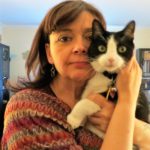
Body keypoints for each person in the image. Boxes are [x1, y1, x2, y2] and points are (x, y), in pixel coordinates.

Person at [1, 0, 150, 149]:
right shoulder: (27, 109)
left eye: (90, 38)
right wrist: (126, 103)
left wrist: (131, 124)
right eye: (64, 38)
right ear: (49, 53)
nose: (80, 48)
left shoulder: (108, 93)